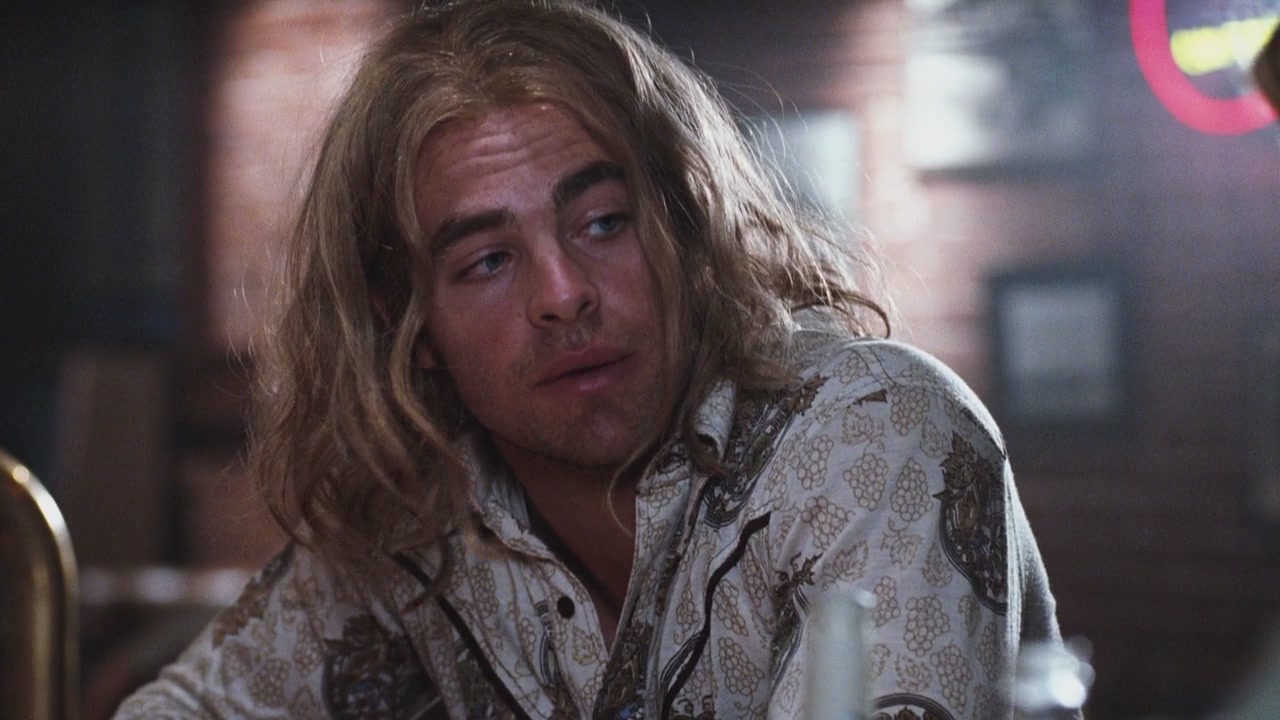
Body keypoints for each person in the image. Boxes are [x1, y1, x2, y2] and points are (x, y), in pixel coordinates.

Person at [116, 0, 1067, 717]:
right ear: (406, 319)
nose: (564, 292)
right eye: (488, 261)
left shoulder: (873, 435)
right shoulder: (420, 511)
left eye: (603, 222)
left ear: (684, 227)